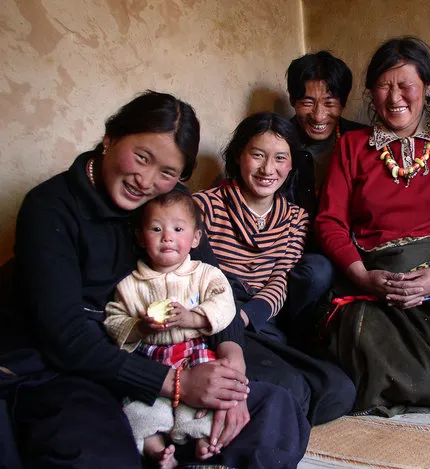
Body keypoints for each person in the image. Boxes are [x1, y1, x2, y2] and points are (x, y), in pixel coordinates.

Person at [0, 91, 310, 469]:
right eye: (142, 157)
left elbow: (213, 284)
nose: (145, 182)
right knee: (99, 451)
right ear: (110, 138)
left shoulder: (170, 204)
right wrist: (179, 384)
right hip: (71, 369)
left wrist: (232, 374)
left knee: (278, 407)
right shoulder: (51, 207)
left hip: (168, 352)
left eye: (168, 172)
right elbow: (66, 339)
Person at [314, 37, 430, 414]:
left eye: (405, 84)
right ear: (371, 93)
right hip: (373, 274)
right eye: (383, 86)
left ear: (427, 88)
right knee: (358, 341)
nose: (395, 97)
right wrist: (361, 276)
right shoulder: (353, 146)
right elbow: (330, 220)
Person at [194, 112, 356, 425]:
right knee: (292, 389)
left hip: (261, 318)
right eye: (257, 155)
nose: (269, 169)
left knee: (340, 390)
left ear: (292, 163)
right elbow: (197, 278)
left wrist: (247, 316)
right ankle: (272, 409)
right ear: (238, 155)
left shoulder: (295, 218)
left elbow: (280, 280)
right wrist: (229, 319)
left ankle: (277, 408)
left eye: (280, 158)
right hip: (216, 316)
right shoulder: (205, 206)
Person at [104, 190, 237, 467]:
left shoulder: (205, 274)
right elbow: (114, 321)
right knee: (141, 410)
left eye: (178, 229)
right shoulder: (131, 285)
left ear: (196, 238)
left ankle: (204, 445)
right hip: (151, 359)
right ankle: (157, 452)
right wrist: (139, 326)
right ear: (141, 238)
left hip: (195, 355)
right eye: (156, 229)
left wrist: (195, 318)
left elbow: (225, 304)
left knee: (205, 408)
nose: (167, 236)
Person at [282, 51, 367, 345]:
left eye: (330, 103)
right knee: (318, 272)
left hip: (356, 245)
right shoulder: (278, 141)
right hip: (299, 251)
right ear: (293, 101)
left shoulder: (363, 140)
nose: (319, 116)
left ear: (343, 103)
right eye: (307, 102)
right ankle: (299, 344)